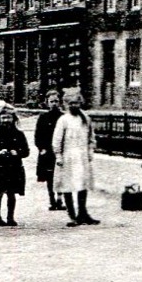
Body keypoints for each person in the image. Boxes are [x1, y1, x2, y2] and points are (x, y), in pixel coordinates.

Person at [53, 94, 100, 227]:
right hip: (68, 156)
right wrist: (58, 156)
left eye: (76, 103)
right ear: (66, 105)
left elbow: (91, 138)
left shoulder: (85, 119)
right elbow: (57, 140)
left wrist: (90, 151)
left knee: (82, 184)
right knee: (67, 185)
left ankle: (83, 213)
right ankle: (72, 215)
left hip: (82, 156)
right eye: (71, 103)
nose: (74, 106)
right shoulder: (63, 120)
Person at [0, 102, 30, 226]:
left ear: (14, 119)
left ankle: (10, 217)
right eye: (3, 118)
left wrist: (18, 152)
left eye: (9, 117)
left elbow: (26, 152)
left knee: (11, 193)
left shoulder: (19, 134)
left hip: (14, 168)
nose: (6, 120)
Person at [33, 89, 63, 211]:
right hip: (47, 152)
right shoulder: (43, 117)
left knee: (61, 176)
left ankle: (60, 200)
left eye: (56, 101)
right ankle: (52, 200)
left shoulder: (63, 117)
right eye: (51, 101)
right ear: (47, 103)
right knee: (50, 177)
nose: (54, 104)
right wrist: (41, 148)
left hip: (61, 152)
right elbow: (38, 135)